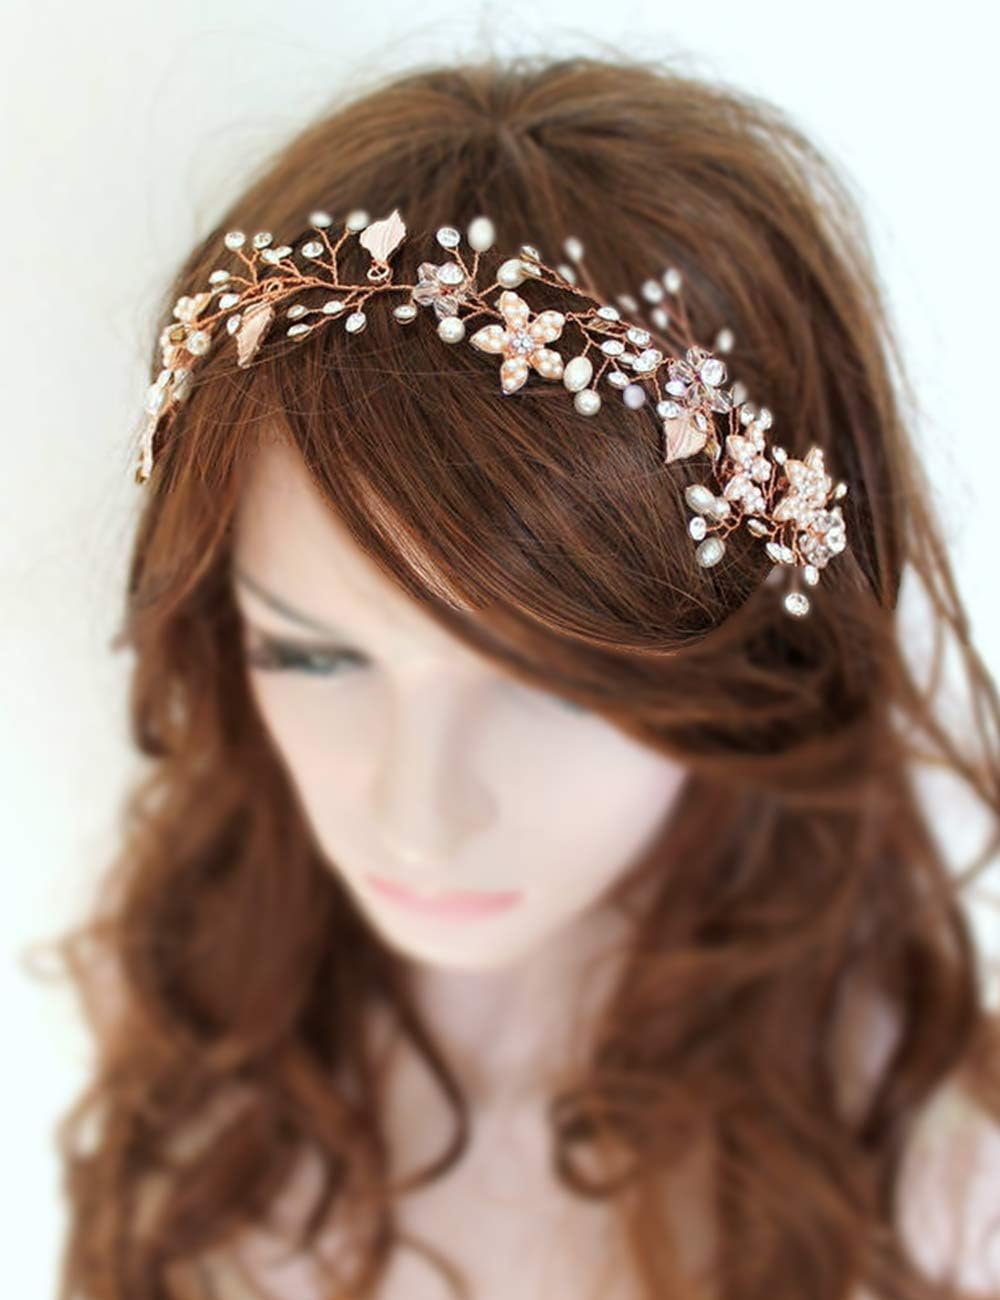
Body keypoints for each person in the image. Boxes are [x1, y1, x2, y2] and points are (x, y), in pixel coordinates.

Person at [51, 53, 1000, 1300]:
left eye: (559, 683)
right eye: (311, 652)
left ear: (763, 657)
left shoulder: (942, 1193)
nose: (417, 818)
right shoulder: (197, 1056)